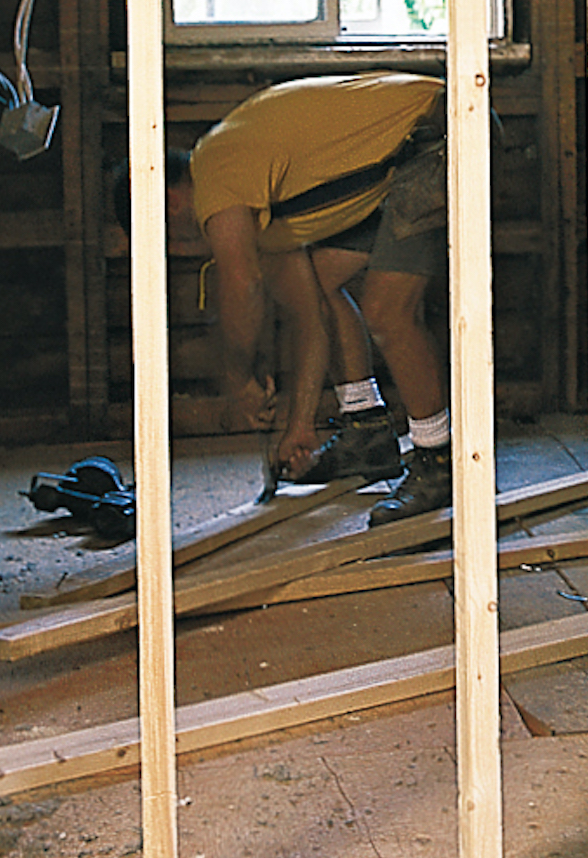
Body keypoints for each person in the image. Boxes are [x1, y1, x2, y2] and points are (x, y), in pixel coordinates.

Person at [163, 71, 455, 526]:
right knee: (319, 281)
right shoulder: (253, 201)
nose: (178, 248)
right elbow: (310, 316)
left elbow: (244, 287)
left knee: (386, 311)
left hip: (443, 132)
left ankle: (438, 460)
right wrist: (299, 425)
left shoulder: (217, 171)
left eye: (165, 239)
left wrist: (239, 377)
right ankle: (366, 429)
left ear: (171, 204)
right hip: (396, 162)